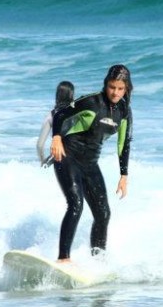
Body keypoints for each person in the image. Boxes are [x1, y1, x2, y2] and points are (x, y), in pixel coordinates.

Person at [50, 64, 133, 263]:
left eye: (120, 88)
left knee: (103, 213)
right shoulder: (91, 102)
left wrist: (124, 175)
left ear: (126, 89)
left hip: (90, 163)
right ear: (106, 85)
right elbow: (60, 114)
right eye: (112, 87)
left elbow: (124, 143)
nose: (115, 92)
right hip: (67, 155)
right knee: (76, 204)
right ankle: (63, 259)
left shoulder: (124, 111)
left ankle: (98, 262)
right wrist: (56, 138)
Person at [36, 81, 75, 166]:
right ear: (71, 95)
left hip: (57, 158)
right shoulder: (78, 112)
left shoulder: (51, 116)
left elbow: (39, 146)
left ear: (57, 95)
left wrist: (43, 162)